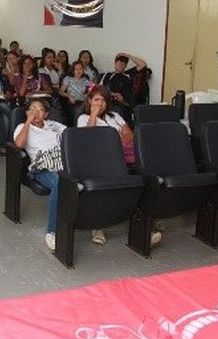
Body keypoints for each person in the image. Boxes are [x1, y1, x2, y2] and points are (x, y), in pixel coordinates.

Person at [76, 85, 138, 246]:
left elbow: (129, 137)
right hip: (97, 160)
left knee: (140, 180)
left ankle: (144, 222)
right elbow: (88, 139)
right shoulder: (83, 118)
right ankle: (97, 226)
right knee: (101, 187)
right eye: (96, 100)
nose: (100, 103)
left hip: (119, 158)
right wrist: (94, 115)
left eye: (103, 100)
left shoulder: (115, 116)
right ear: (89, 101)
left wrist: (120, 135)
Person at [13, 98, 66, 251]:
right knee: (59, 183)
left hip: (61, 162)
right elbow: (19, 144)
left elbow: (70, 134)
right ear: (27, 112)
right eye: (32, 109)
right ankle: (52, 231)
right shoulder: (22, 127)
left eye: (40, 109)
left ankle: (93, 224)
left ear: (46, 113)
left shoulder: (52, 125)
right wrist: (28, 122)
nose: (36, 112)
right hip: (42, 168)